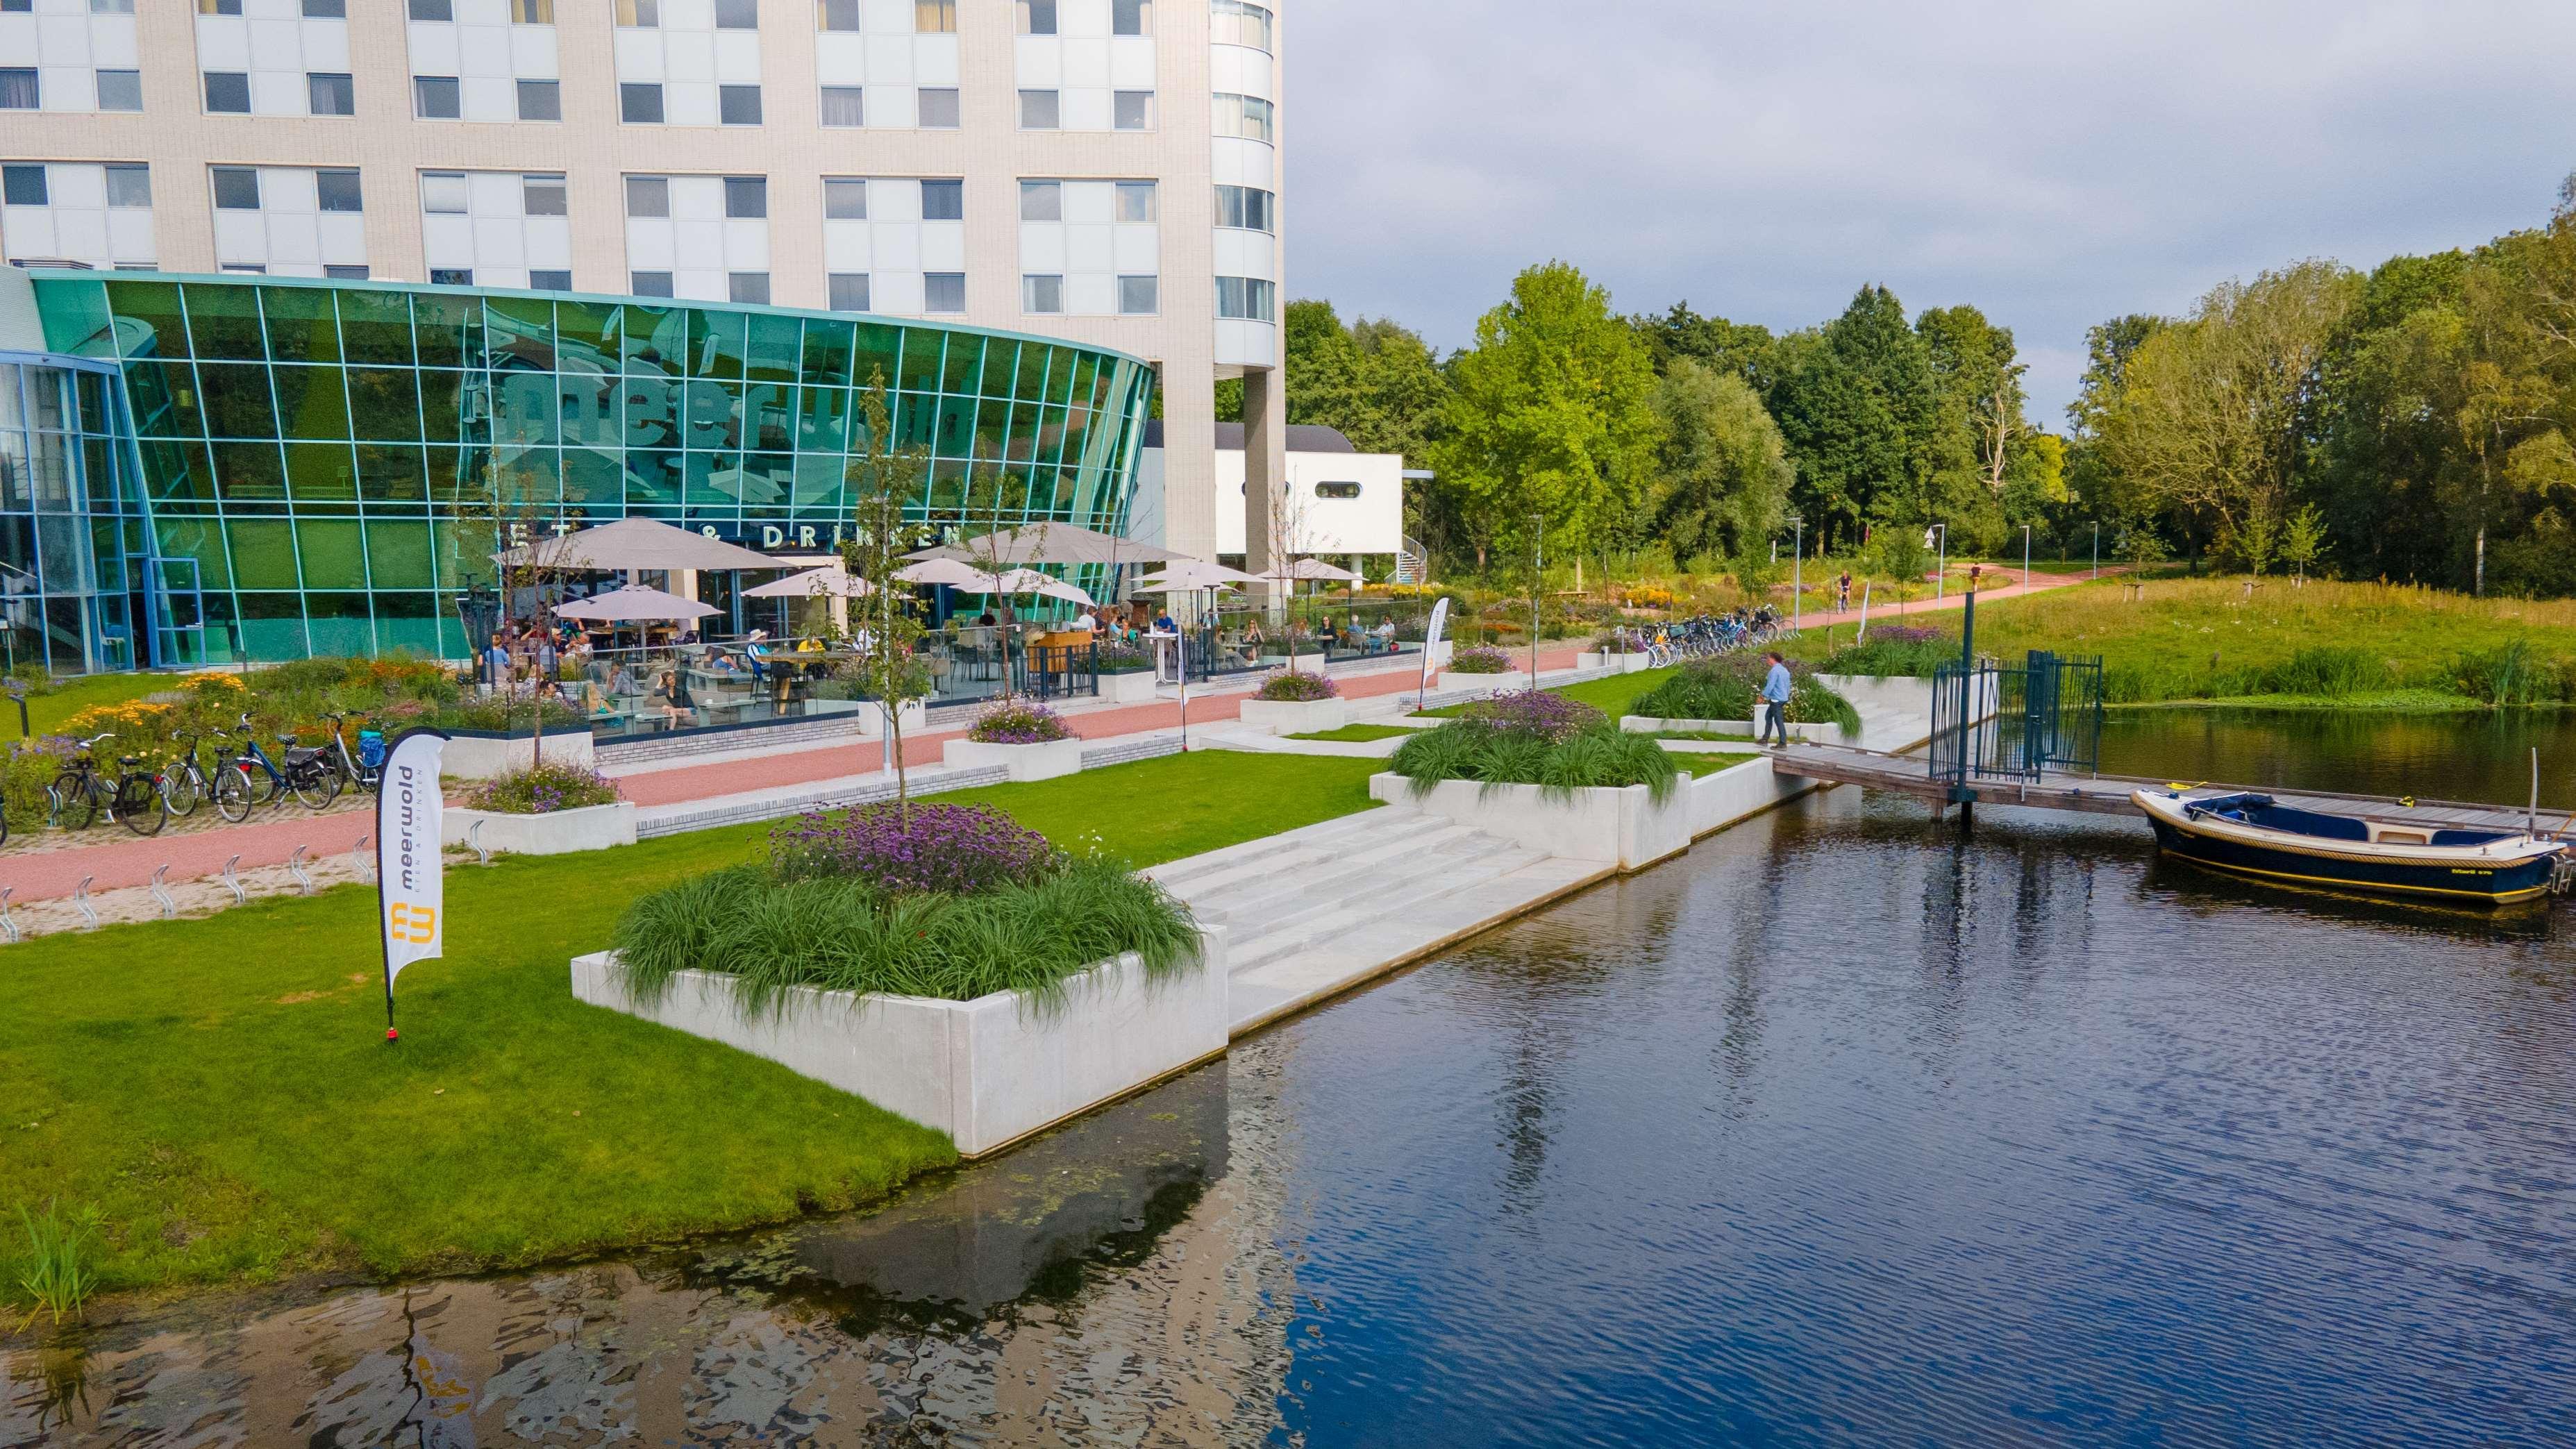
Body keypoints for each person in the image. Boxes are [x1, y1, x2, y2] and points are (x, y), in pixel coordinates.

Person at [1758, 650, 1793, 748]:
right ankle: (1765, 739)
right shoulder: (1784, 670)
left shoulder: (1774, 671)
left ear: (1773, 659)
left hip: (1776, 699)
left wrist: (1762, 696)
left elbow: (1770, 685)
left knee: (1779, 721)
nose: (1767, 660)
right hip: (1782, 698)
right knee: (1768, 717)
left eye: (1768, 658)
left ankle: (1782, 743)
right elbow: (1787, 685)